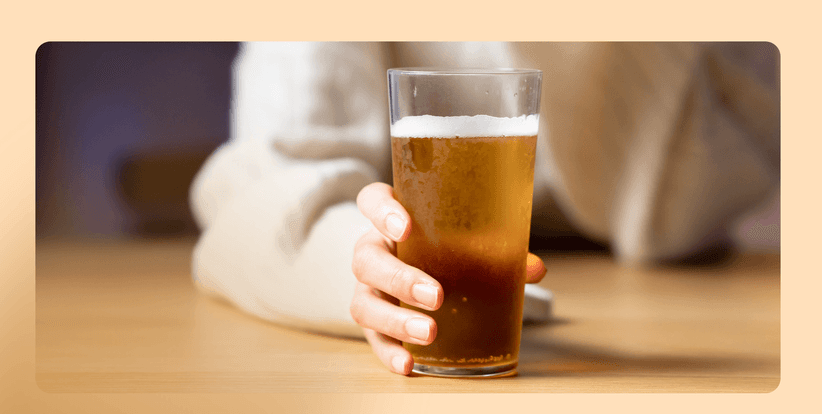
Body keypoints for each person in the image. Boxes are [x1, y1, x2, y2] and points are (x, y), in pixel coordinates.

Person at [189, 42, 779, 375]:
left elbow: (680, 208)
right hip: (441, 274)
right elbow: (256, 189)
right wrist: (370, 268)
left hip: (677, 295)